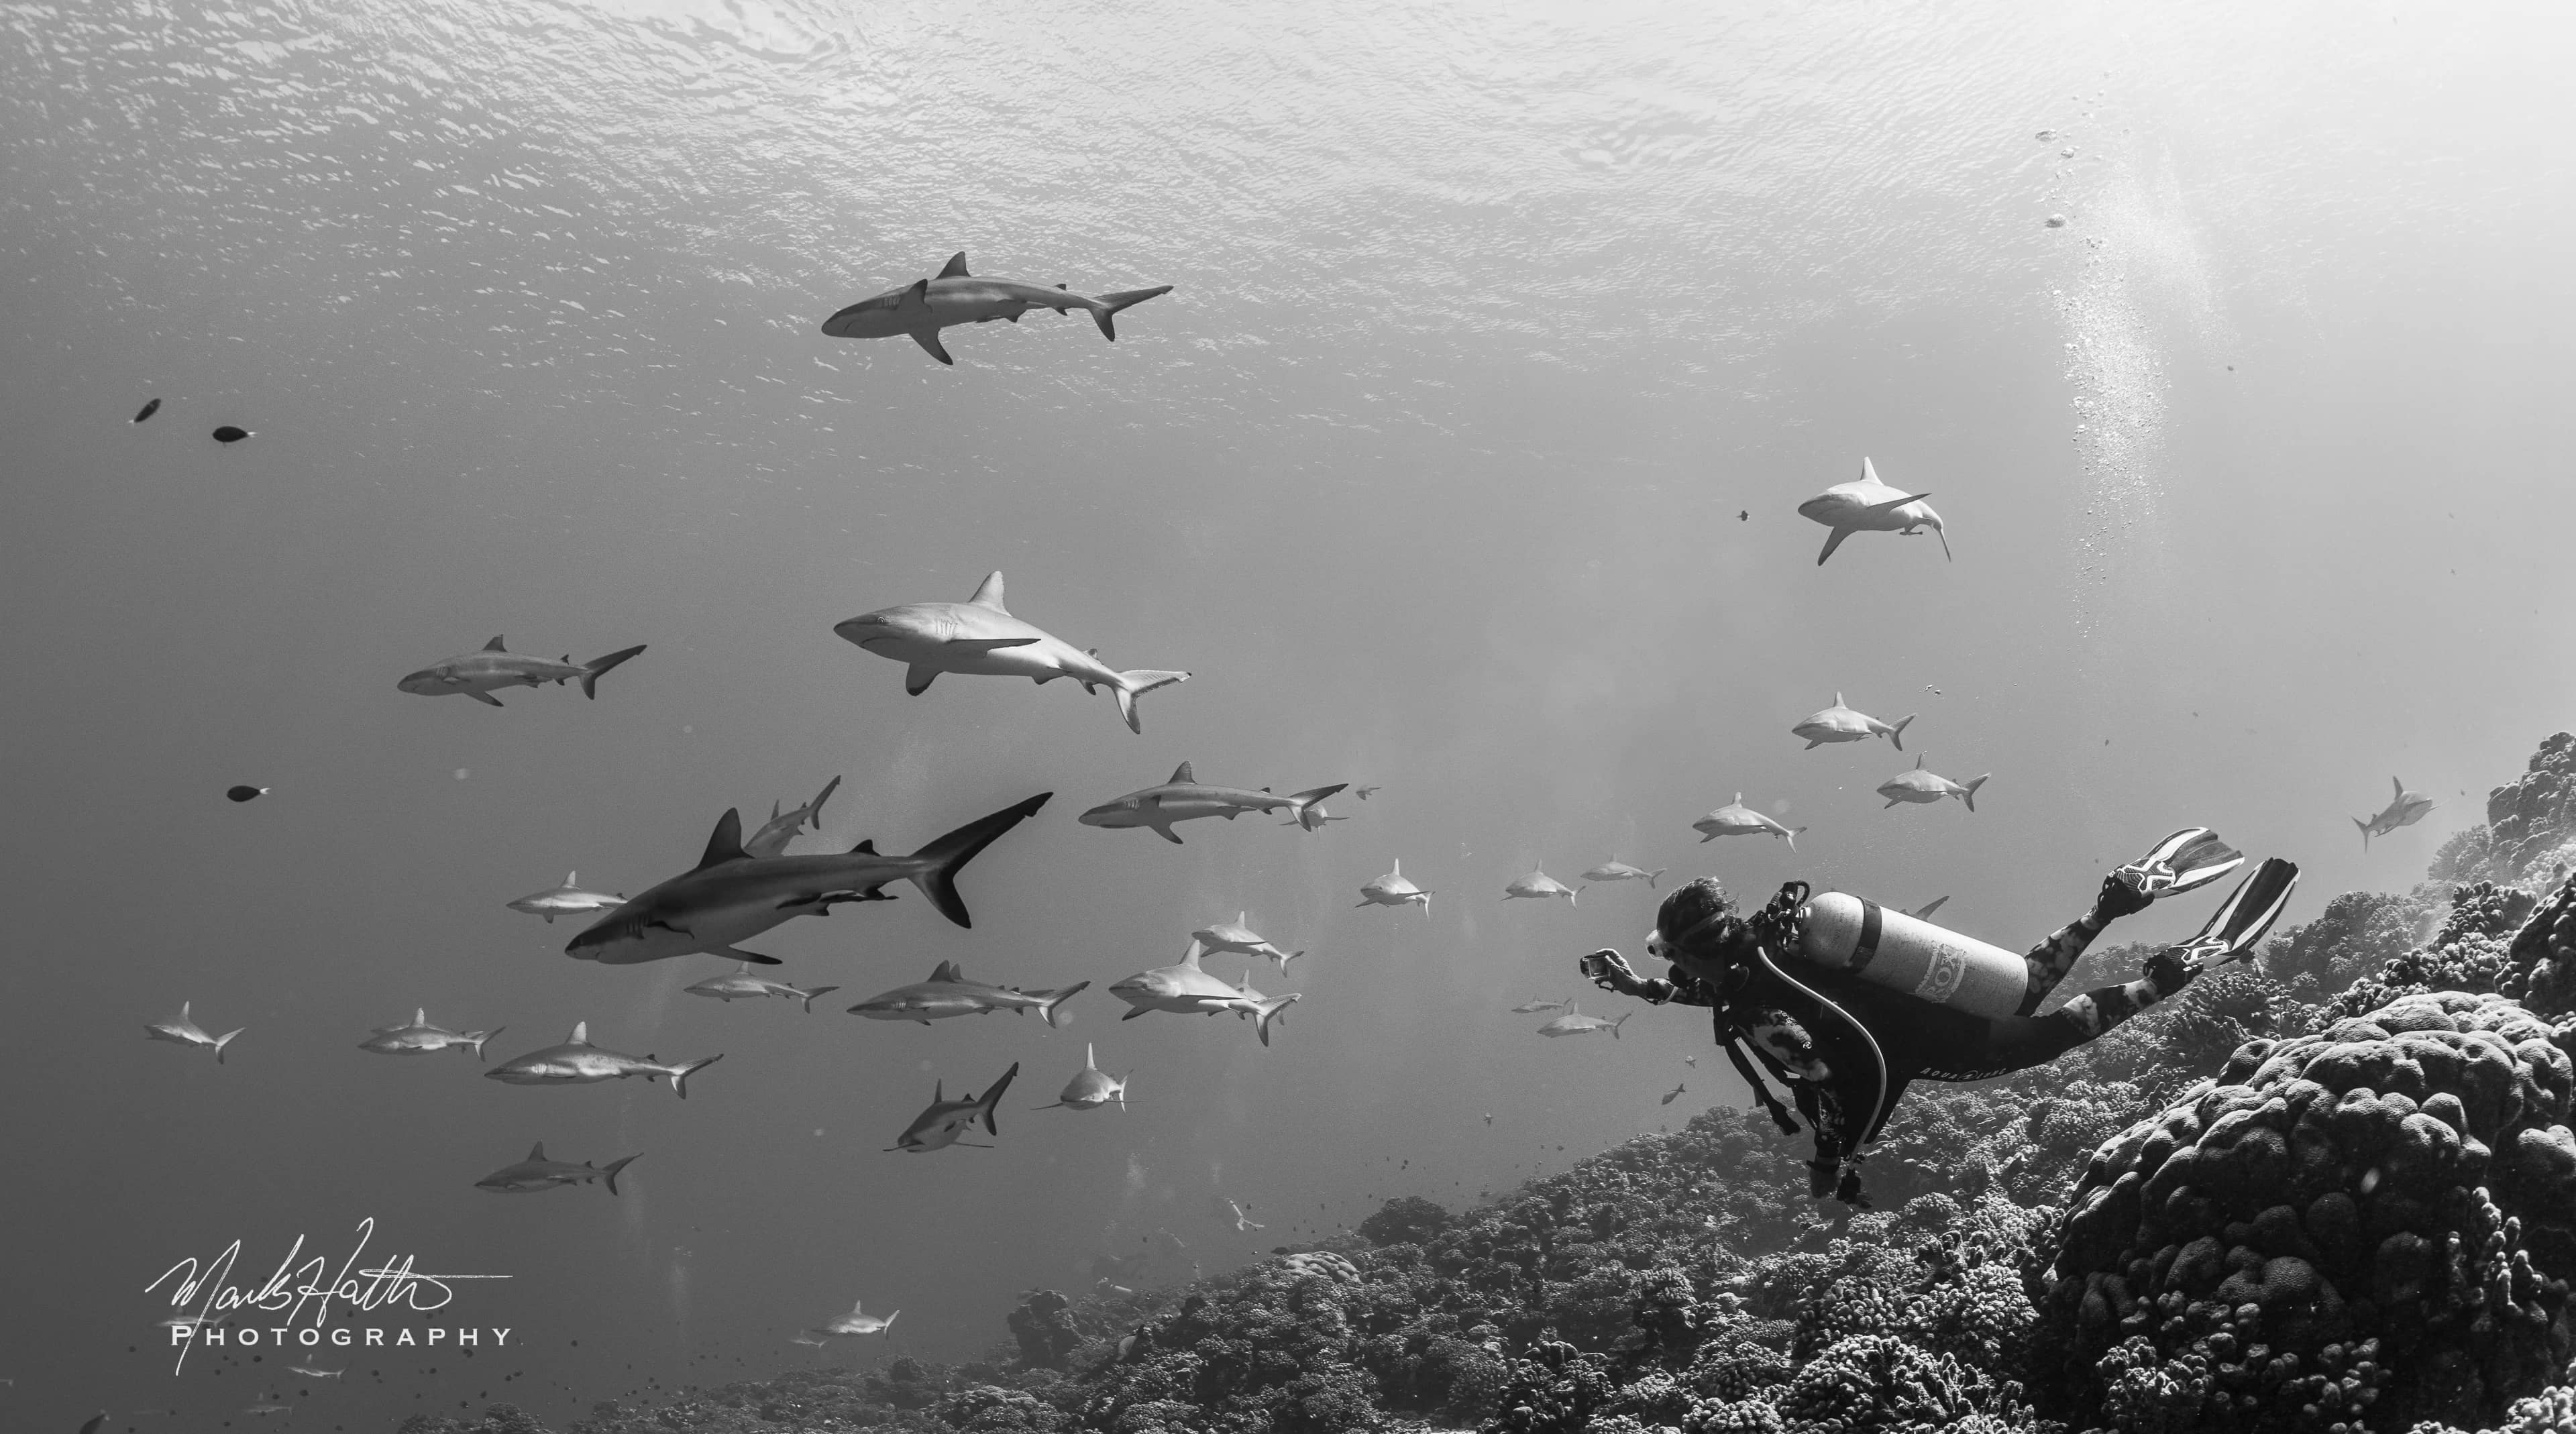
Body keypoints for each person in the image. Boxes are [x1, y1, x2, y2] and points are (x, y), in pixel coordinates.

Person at [1578, 830, 2299, 1207]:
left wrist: (1834, 1163)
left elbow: (1852, 1080)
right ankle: (2110, 903)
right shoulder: (1767, 945)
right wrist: (1643, 989)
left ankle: (2173, 971)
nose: (1670, 967)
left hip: (1929, 1041)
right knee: (2016, 981)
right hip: (1917, 997)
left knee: (2044, 1034)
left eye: (1669, 956)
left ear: (1695, 950)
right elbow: (1732, 997)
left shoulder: (1756, 1003)